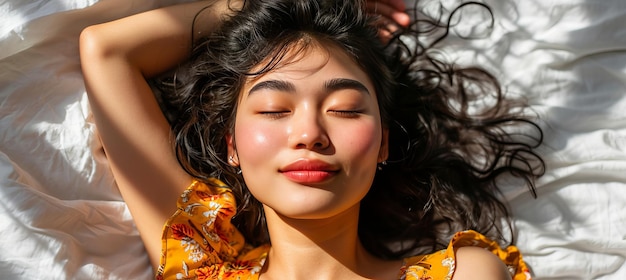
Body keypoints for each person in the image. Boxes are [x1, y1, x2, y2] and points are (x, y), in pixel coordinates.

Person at [79, 0, 543, 279]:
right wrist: (267, 6)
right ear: (231, 146)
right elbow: (106, 51)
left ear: (382, 142)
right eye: (274, 111)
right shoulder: (201, 262)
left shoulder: (464, 272)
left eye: (343, 109)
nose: (309, 135)